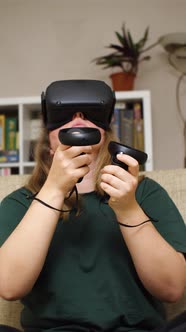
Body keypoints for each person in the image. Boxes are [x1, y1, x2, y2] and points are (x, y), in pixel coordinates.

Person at [0, 79, 186, 332]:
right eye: (64, 115)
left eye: (89, 113)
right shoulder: (20, 203)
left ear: (107, 134)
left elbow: (172, 288)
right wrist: (54, 190)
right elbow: (9, 287)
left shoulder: (145, 192)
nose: (77, 117)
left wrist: (128, 208)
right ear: (48, 144)